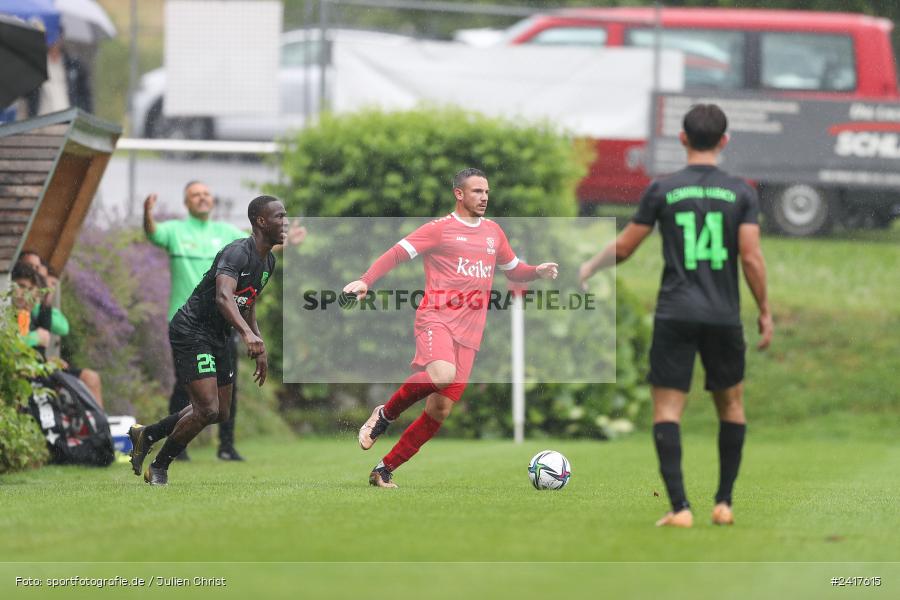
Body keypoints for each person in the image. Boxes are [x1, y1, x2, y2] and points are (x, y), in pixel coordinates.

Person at [578, 104, 773, 528]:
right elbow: (751, 258)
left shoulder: (662, 189)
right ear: (724, 141)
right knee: (732, 406)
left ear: (682, 139)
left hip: (675, 313)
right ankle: (723, 503)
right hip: (723, 316)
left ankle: (681, 508)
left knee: (667, 409)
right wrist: (764, 311)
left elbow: (626, 248)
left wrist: (590, 266)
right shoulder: (741, 193)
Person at [343, 168, 559, 488]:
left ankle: (383, 470)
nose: (484, 197)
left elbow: (514, 270)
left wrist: (536, 271)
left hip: (470, 335)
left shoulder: (494, 233)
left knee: (439, 411)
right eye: (476, 192)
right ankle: (384, 415)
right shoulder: (439, 230)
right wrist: (366, 280)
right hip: (436, 318)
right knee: (441, 375)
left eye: (486, 192)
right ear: (459, 194)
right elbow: (396, 254)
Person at [128, 195, 286, 485]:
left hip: (220, 334)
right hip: (192, 330)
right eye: (279, 216)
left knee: (220, 412)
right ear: (261, 221)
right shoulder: (236, 253)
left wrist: (258, 341)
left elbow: (247, 303)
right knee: (207, 408)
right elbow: (223, 297)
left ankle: (147, 434)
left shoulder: (269, 261)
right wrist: (246, 334)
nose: (285, 221)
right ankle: (159, 467)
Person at [144, 182, 247, 461]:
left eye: (206, 194)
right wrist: (147, 214)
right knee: (184, 386)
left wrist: (285, 241)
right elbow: (153, 233)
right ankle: (179, 446)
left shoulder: (226, 233)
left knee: (227, 386)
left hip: (222, 324)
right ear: (186, 203)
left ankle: (226, 446)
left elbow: (257, 249)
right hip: (185, 324)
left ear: (212, 200)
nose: (202, 198)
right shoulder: (176, 230)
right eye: (195, 195)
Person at [13, 254, 104, 406]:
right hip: (26, 375)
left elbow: (63, 328)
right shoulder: (11, 312)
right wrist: (35, 337)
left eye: (31, 289)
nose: (26, 294)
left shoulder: (27, 314)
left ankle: (100, 427)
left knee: (91, 378)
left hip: (38, 369)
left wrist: (48, 362)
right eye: (22, 287)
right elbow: (10, 349)